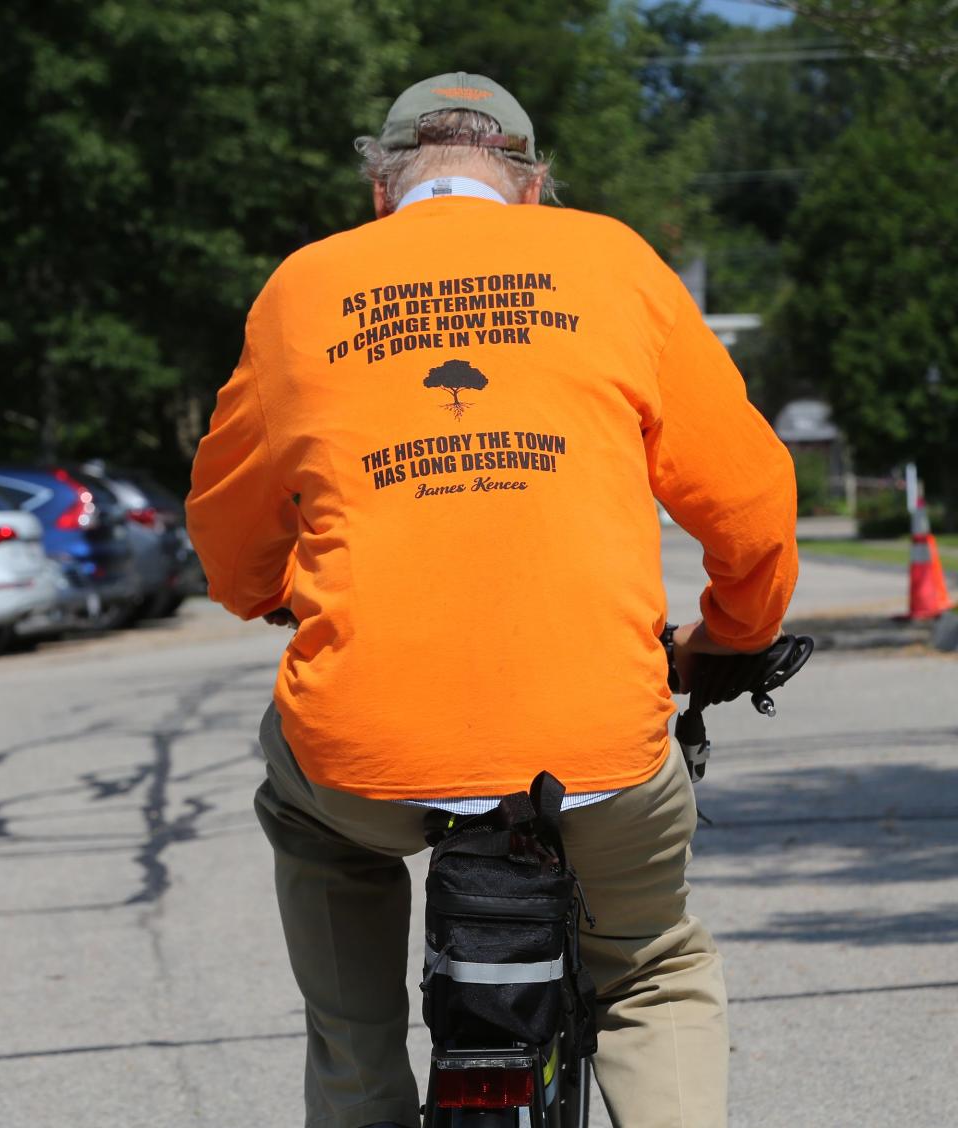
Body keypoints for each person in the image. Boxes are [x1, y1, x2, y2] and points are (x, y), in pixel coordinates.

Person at [186, 72, 798, 1128]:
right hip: (595, 749)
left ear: (382, 190)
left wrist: (283, 597)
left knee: (314, 819)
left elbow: (227, 532)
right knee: (651, 966)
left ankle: (362, 1079)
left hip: (369, 761)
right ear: (533, 187)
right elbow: (752, 503)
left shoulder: (303, 287)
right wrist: (732, 638)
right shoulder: (610, 260)